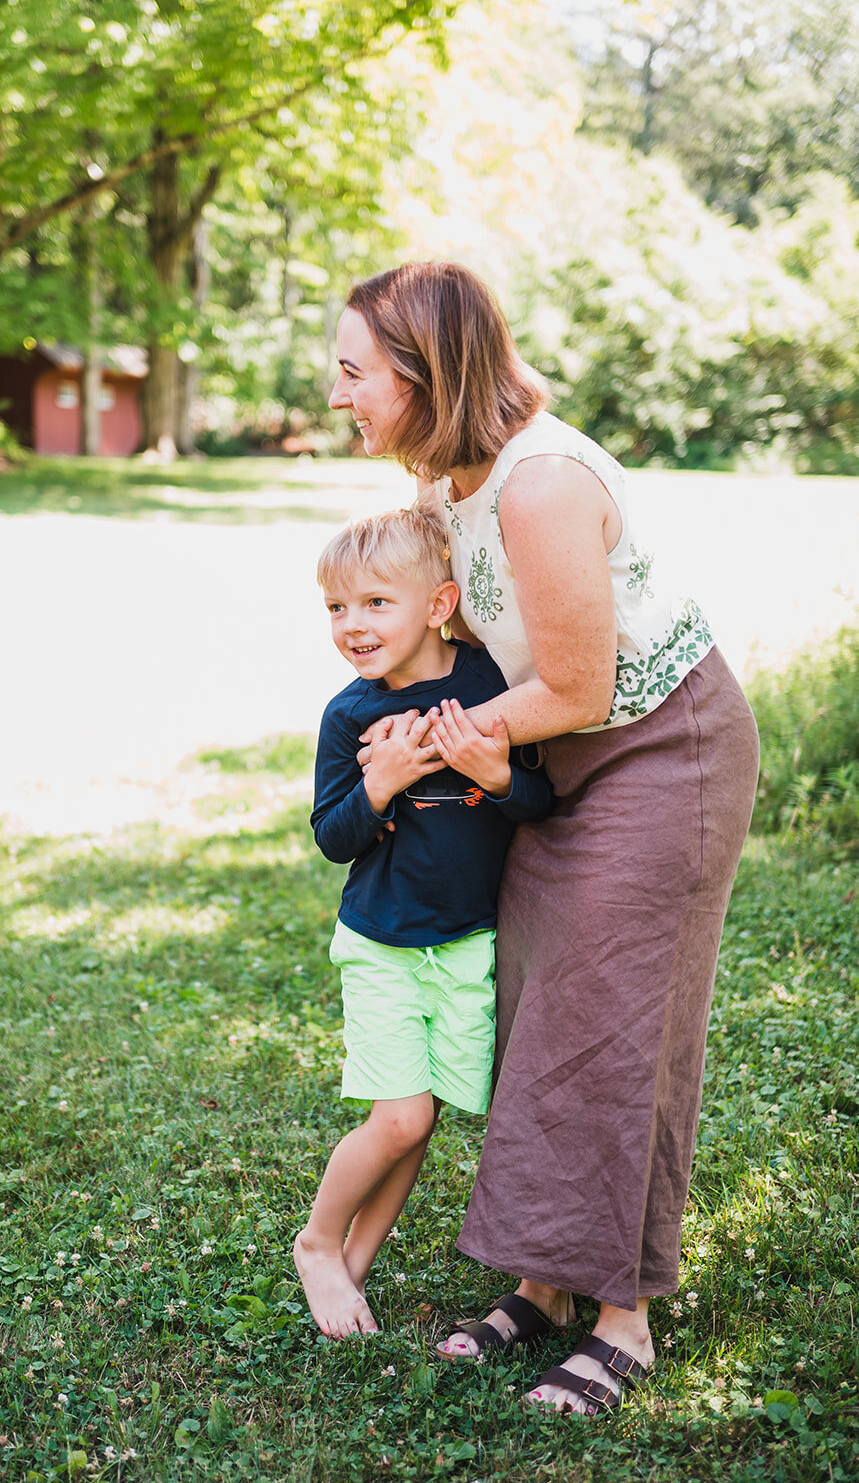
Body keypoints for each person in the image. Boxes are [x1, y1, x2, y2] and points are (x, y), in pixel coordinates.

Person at [327, 262, 760, 1414]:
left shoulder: (540, 484)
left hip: (661, 750)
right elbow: (451, 623)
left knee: (613, 1014)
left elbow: (575, 680)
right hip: (547, 756)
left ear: (425, 373)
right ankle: (545, 1285)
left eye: (352, 372)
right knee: (534, 1005)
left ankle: (623, 1317)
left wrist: (418, 749)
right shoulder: (446, 483)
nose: (336, 396)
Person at [294, 506, 553, 1340]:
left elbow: (537, 800)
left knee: (424, 1118)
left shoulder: (487, 683)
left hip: (466, 942)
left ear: (439, 604)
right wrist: (382, 783)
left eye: (375, 604)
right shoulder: (349, 715)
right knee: (399, 1117)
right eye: (337, 607)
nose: (352, 625)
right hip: (383, 939)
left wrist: (494, 770)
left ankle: (353, 1268)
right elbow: (333, 836)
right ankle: (316, 1242)